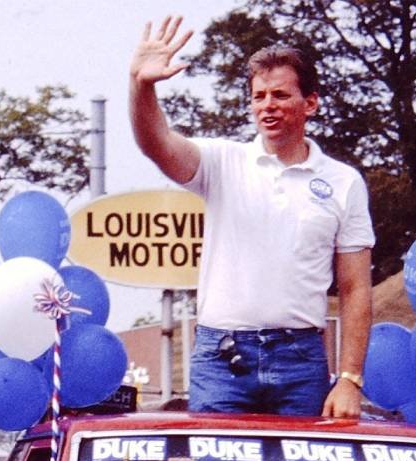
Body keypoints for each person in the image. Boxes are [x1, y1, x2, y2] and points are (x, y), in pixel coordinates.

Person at [130, 19, 372, 419]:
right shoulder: (222, 161)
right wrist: (141, 85)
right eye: (259, 96)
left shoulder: (344, 182)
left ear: (310, 103)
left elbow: (356, 288)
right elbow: (155, 143)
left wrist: (349, 378)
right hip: (222, 357)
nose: (267, 105)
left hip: (300, 359)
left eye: (280, 94)